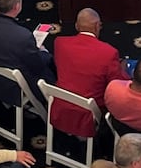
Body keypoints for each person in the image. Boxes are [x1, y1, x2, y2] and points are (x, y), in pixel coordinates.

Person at [50, 8, 127, 139]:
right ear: (98, 26)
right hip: (87, 114)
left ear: (76, 26)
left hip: (61, 107)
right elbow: (117, 83)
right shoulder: (109, 53)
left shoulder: (59, 43)